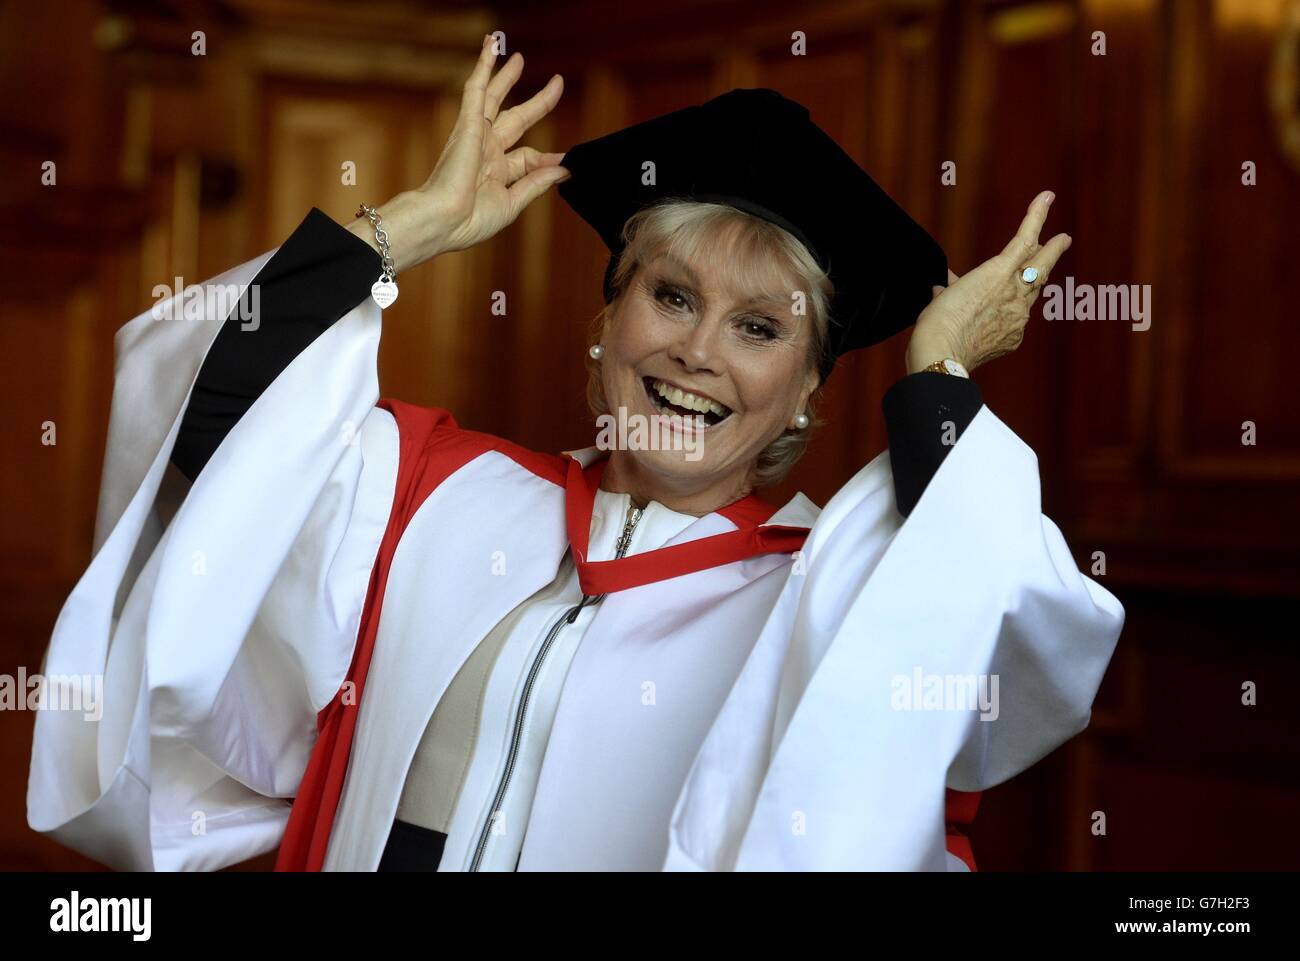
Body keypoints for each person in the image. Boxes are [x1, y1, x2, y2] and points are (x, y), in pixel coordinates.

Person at [27, 34, 1123, 872]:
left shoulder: (826, 601)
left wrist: (937, 379)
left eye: (759, 327)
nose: (696, 352)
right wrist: (401, 228)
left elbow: (1007, 643)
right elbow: (209, 418)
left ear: (804, 392)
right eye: (671, 296)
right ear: (605, 324)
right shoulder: (424, 490)